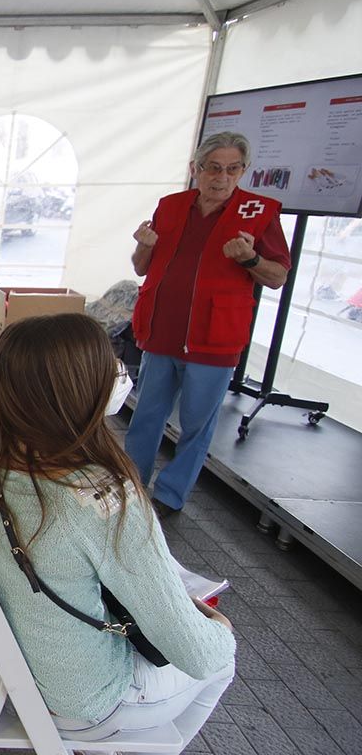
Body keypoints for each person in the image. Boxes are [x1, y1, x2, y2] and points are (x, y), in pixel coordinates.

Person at [0, 313, 236, 748]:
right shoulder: (101, 497)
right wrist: (219, 628)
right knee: (221, 659)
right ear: (86, 388)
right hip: (76, 700)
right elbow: (195, 653)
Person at [125, 132, 291, 516]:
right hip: (162, 332)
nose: (222, 177)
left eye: (233, 169)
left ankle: (169, 495)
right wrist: (144, 245)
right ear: (195, 169)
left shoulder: (259, 210)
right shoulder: (171, 206)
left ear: (243, 171)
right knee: (145, 415)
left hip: (214, 339)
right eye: (213, 168)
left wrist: (250, 259)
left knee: (196, 426)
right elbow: (140, 267)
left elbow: (278, 276)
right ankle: (132, 487)